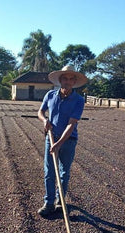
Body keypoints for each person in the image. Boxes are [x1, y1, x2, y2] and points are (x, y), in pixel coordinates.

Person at [37, 65, 87, 216]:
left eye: (71, 79)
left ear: (74, 82)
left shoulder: (78, 100)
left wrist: (58, 144)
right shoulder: (50, 95)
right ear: (60, 80)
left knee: (64, 172)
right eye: (65, 78)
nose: (68, 81)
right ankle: (49, 203)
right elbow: (40, 111)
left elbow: (72, 124)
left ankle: (60, 201)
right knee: (49, 172)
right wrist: (44, 120)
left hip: (68, 140)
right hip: (51, 137)